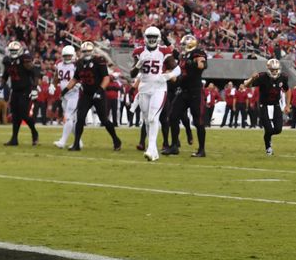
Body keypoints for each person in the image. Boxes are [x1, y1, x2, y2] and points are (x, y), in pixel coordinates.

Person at [62, 41, 122, 151]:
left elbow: (106, 78)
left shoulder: (99, 61)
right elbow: (76, 78)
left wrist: (100, 90)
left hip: (98, 93)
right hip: (86, 94)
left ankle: (116, 139)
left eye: (88, 51)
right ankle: (76, 144)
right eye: (84, 51)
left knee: (104, 120)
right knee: (80, 119)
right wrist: (66, 89)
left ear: (92, 51)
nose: (86, 53)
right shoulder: (79, 63)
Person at [130, 26, 180, 161]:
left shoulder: (164, 51)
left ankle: (151, 149)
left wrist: (165, 77)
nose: (151, 39)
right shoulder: (139, 51)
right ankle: (154, 151)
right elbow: (132, 74)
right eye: (149, 36)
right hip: (144, 88)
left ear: (158, 38)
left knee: (153, 118)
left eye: (154, 37)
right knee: (146, 120)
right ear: (146, 38)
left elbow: (177, 70)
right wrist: (138, 65)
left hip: (159, 88)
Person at [165, 34, 207, 157]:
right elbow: (175, 52)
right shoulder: (184, 55)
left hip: (195, 91)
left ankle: (201, 149)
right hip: (183, 90)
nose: (182, 46)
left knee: (198, 121)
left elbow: (202, 65)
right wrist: (166, 41)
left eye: (184, 44)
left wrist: (192, 63)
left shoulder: (197, 52)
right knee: (172, 116)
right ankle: (174, 146)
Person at [244, 58, 290, 155]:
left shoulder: (283, 77)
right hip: (263, 105)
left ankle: (267, 136)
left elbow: (287, 90)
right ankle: (268, 146)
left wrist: (287, 105)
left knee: (278, 129)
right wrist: (252, 78)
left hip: (276, 105)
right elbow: (246, 85)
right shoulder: (262, 76)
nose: (274, 72)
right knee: (268, 129)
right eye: (272, 70)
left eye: (276, 70)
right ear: (268, 69)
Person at [2, 41, 40, 146]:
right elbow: (5, 75)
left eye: (14, 50)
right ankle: (14, 139)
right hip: (15, 90)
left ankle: (34, 132)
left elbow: (35, 72)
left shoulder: (24, 59)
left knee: (24, 114)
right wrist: (1, 87)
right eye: (11, 50)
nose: (13, 52)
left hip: (25, 90)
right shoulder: (8, 60)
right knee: (15, 116)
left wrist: (35, 88)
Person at [53, 45, 82, 149]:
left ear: (73, 55)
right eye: (65, 56)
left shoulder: (77, 65)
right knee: (71, 119)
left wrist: (80, 83)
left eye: (69, 56)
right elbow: (56, 76)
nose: (67, 58)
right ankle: (79, 142)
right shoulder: (59, 64)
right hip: (64, 95)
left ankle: (62, 141)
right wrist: (53, 85)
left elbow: (82, 76)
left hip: (74, 94)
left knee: (68, 117)